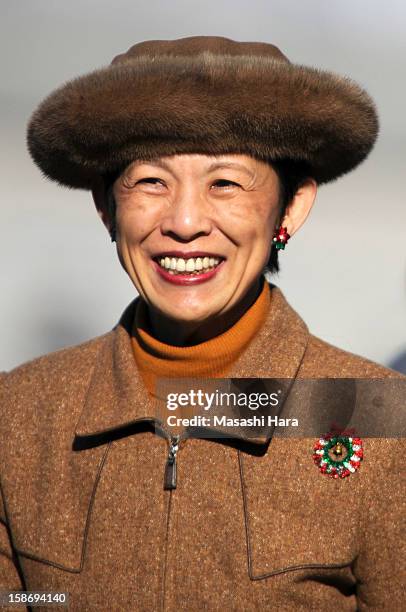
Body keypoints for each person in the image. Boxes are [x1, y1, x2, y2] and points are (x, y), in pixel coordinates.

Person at [0, 36, 404, 611]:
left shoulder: (378, 417)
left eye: (225, 183)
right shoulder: (21, 414)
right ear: (105, 206)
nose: (185, 223)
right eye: (150, 182)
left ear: (290, 208)